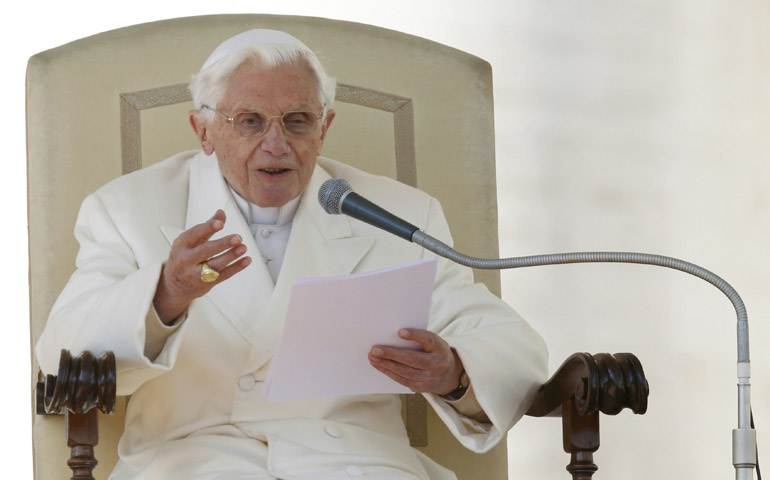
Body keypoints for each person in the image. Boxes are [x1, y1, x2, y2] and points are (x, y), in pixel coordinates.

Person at [35, 29, 548, 479]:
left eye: (297, 120)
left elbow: (510, 344)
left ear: (323, 129)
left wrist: (455, 373)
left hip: (359, 462)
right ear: (204, 131)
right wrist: (164, 295)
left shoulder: (398, 214)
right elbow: (60, 353)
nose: (276, 143)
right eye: (250, 121)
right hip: (190, 460)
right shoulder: (126, 208)